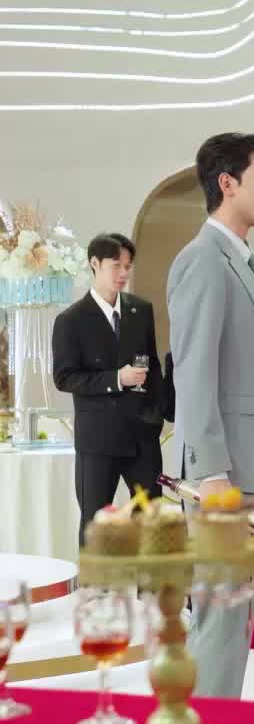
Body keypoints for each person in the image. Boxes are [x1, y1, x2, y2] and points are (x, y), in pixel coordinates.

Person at [167, 132, 254, 699]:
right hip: (226, 477)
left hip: (252, 470)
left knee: (233, 618)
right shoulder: (203, 259)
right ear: (227, 183)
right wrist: (212, 473)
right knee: (221, 620)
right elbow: (193, 373)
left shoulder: (242, 259)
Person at [52, 231, 164, 543]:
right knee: (95, 527)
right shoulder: (70, 320)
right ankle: (94, 580)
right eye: (116, 266)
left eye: (128, 266)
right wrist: (117, 379)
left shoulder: (141, 310)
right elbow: (64, 378)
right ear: (95, 264)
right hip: (98, 441)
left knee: (152, 523)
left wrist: (155, 416)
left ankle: (147, 580)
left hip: (142, 438)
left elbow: (153, 366)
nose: (124, 273)